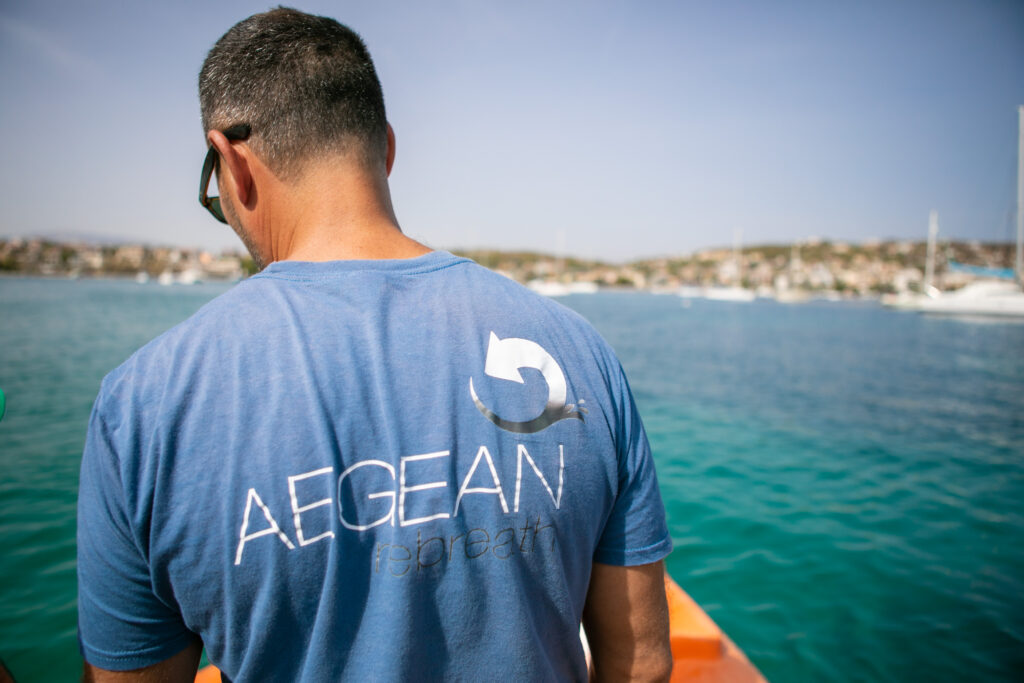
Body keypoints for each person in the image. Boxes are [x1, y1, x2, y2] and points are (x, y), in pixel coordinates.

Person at [77, 8, 673, 682]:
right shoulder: (582, 353)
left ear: (233, 164)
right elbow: (642, 663)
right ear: (386, 149)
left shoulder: (144, 407)